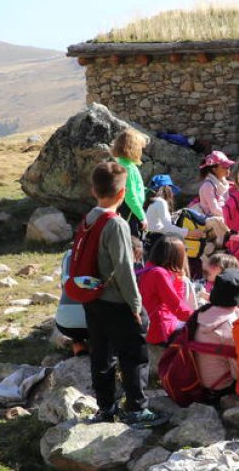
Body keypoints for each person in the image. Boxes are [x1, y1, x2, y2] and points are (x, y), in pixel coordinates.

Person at [81, 161, 165, 427]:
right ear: (122, 194)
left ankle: (105, 408)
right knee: (134, 355)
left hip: (93, 299)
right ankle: (136, 410)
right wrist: (136, 305)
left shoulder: (88, 219)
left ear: (93, 190)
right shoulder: (116, 224)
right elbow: (124, 269)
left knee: (101, 356)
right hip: (117, 301)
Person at [138, 235, 194, 369]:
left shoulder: (149, 267)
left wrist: (179, 278)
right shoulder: (160, 274)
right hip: (160, 328)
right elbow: (178, 307)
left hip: (149, 323)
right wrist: (199, 316)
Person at [193, 269, 239, 399]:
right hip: (220, 387)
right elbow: (237, 374)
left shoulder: (201, 313)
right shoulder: (230, 327)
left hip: (196, 380)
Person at [112, 129, 149, 237]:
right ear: (134, 149)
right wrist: (142, 217)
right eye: (140, 149)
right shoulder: (128, 168)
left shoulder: (120, 163)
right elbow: (130, 196)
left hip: (123, 210)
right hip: (130, 212)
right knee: (134, 244)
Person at [197, 151, 234, 250]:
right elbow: (214, 209)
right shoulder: (208, 186)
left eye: (228, 167)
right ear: (214, 168)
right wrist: (231, 215)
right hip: (212, 220)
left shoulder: (225, 184)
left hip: (224, 216)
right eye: (224, 167)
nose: (228, 170)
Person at [55, 250, 89, 355]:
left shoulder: (69, 255)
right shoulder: (103, 253)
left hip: (65, 326)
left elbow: (64, 286)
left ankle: (78, 345)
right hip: (96, 323)